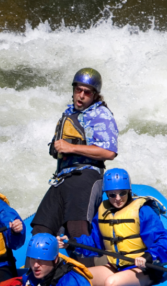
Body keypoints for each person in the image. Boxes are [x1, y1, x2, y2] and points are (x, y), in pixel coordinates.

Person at [67, 168, 167, 286]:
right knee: (77, 277)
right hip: (116, 267)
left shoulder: (143, 211)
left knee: (112, 283)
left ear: (128, 191)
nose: (118, 198)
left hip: (143, 271)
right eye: (112, 195)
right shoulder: (103, 212)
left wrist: (149, 256)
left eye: (122, 193)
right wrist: (71, 244)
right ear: (107, 194)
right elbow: (94, 243)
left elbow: (164, 242)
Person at [32, 68, 119, 243]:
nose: (81, 95)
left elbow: (109, 152)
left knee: (76, 227)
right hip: (62, 178)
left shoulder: (101, 114)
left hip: (86, 175)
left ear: (94, 95)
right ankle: (38, 268)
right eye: (78, 90)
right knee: (40, 229)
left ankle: (87, 269)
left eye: (86, 92)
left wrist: (71, 148)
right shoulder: (69, 113)